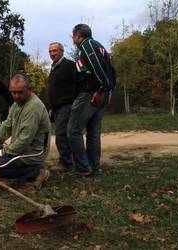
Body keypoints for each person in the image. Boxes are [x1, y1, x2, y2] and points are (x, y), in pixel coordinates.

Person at [0, 74, 51, 190]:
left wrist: (2, 152)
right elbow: (6, 126)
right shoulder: (16, 104)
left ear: (29, 90)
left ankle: (38, 170)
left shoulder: (33, 108)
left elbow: (24, 141)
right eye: (13, 92)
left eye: (20, 92)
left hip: (33, 153)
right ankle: (30, 170)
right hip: (21, 150)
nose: (16, 96)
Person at [68, 24, 113, 176]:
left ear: (78, 36)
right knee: (93, 132)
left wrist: (101, 89)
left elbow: (97, 66)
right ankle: (93, 167)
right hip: (101, 92)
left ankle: (83, 167)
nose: (73, 39)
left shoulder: (87, 45)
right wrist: (105, 89)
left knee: (73, 130)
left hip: (91, 93)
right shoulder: (98, 45)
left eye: (73, 36)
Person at [47, 42, 76, 172]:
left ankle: (66, 163)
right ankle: (66, 160)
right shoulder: (53, 68)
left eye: (55, 51)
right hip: (57, 107)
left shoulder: (69, 65)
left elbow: (77, 84)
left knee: (61, 134)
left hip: (67, 105)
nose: (52, 53)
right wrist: (52, 107)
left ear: (62, 51)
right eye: (50, 51)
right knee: (61, 134)